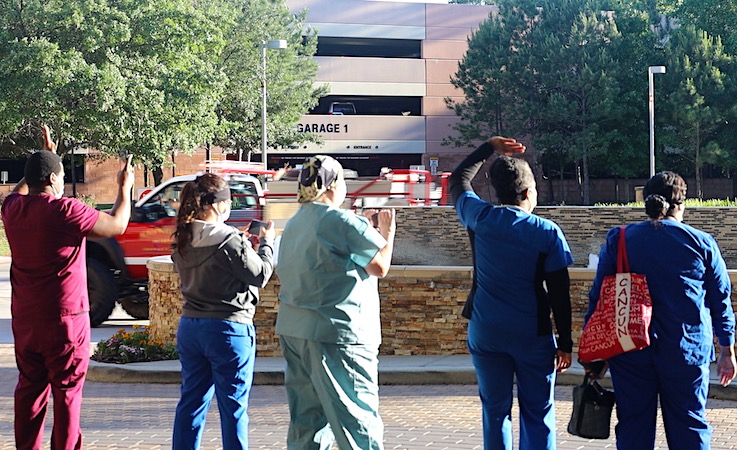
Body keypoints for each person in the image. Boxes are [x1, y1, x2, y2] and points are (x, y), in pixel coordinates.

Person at [1, 125, 134, 450]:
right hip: (65, 322)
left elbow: (21, 191)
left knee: (29, 391)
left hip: (26, 321)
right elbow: (117, 224)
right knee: (67, 393)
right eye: (59, 175)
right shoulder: (66, 211)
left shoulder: (12, 210)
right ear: (53, 180)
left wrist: (46, 159)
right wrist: (124, 187)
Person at [587, 171, 736, 450]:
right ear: (682, 203)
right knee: (690, 427)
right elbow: (720, 301)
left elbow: (599, 299)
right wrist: (727, 350)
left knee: (633, 428)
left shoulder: (619, 239)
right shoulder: (702, 243)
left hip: (630, 349)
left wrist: (596, 352)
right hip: (686, 351)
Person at [449, 136, 574, 450]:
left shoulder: (478, 217)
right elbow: (560, 293)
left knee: (495, 411)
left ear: (497, 191)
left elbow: (459, 179)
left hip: (486, 330)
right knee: (538, 411)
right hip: (532, 336)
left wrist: (489, 147)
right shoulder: (547, 232)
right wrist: (566, 343)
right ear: (529, 192)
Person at [276, 155, 396, 450]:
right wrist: (386, 232)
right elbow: (380, 266)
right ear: (332, 184)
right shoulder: (341, 220)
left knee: (308, 422)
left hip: (295, 330)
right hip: (338, 334)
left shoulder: (294, 222)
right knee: (356, 418)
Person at [171, 173, 275, 450]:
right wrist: (267, 243)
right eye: (230, 201)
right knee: (233, 408)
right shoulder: (229, 240)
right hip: (228, 329)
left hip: (191, 327)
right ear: (217, 204)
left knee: (191, 403)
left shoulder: (182, 237)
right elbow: (260, 274)